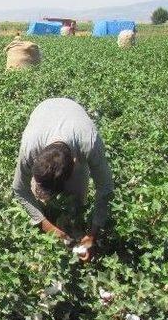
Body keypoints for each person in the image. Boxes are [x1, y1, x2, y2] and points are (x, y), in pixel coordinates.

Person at [12, 98, 114, 261]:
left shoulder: (89, 143)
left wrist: (92, 235)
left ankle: (74, 233)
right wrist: (47, 226)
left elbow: (105, 187)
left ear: (74, 164)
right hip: (44, 111)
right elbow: (19, 189)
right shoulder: (30, 148)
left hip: (73, 114)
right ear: (36, 160)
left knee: (76, 202)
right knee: (39, 202)